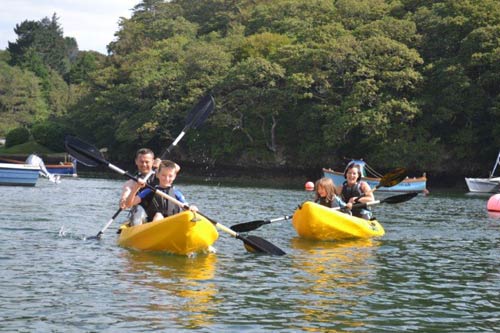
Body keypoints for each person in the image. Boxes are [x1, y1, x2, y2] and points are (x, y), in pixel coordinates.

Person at [125, 160, 197, 223]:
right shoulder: (149, 191)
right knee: (158, 215)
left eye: (170, 176)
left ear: (174, 176)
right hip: (153, 225)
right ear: (157, 175)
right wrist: (136, 188)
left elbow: (185, 206)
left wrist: (191, 207)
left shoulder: (176, 193)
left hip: (172, 223)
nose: (166, 178)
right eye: (163, 175)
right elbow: (128, 204)